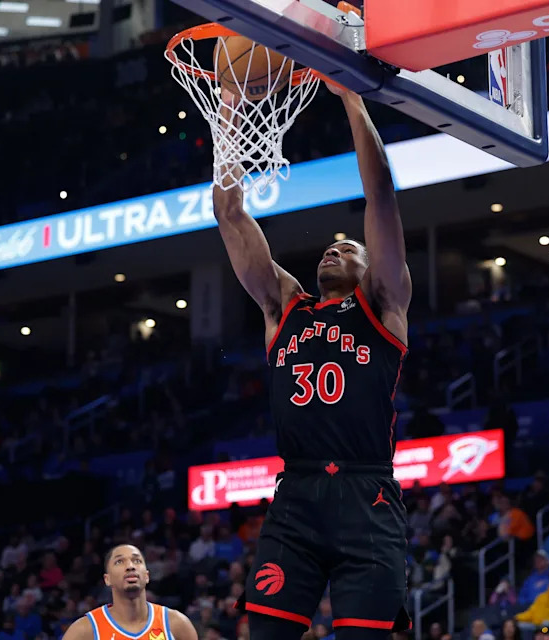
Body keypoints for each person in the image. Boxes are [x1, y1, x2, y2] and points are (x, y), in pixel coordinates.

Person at [212, 84, 413, 640]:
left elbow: (382, 199)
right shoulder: (284, 306)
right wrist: (230, 108)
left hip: (365, 494)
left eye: (350, 249)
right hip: (297, 496)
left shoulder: (383, 303)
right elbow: (229, 213)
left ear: (370, 268)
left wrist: (352, 100)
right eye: (330, 246)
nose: (334, 248)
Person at [61, 544, 197, 640]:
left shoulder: (177, 624)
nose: (130, 566)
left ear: (147, 576)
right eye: (119, 561)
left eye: (136, 560)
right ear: (107, 579)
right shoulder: (84, 630)